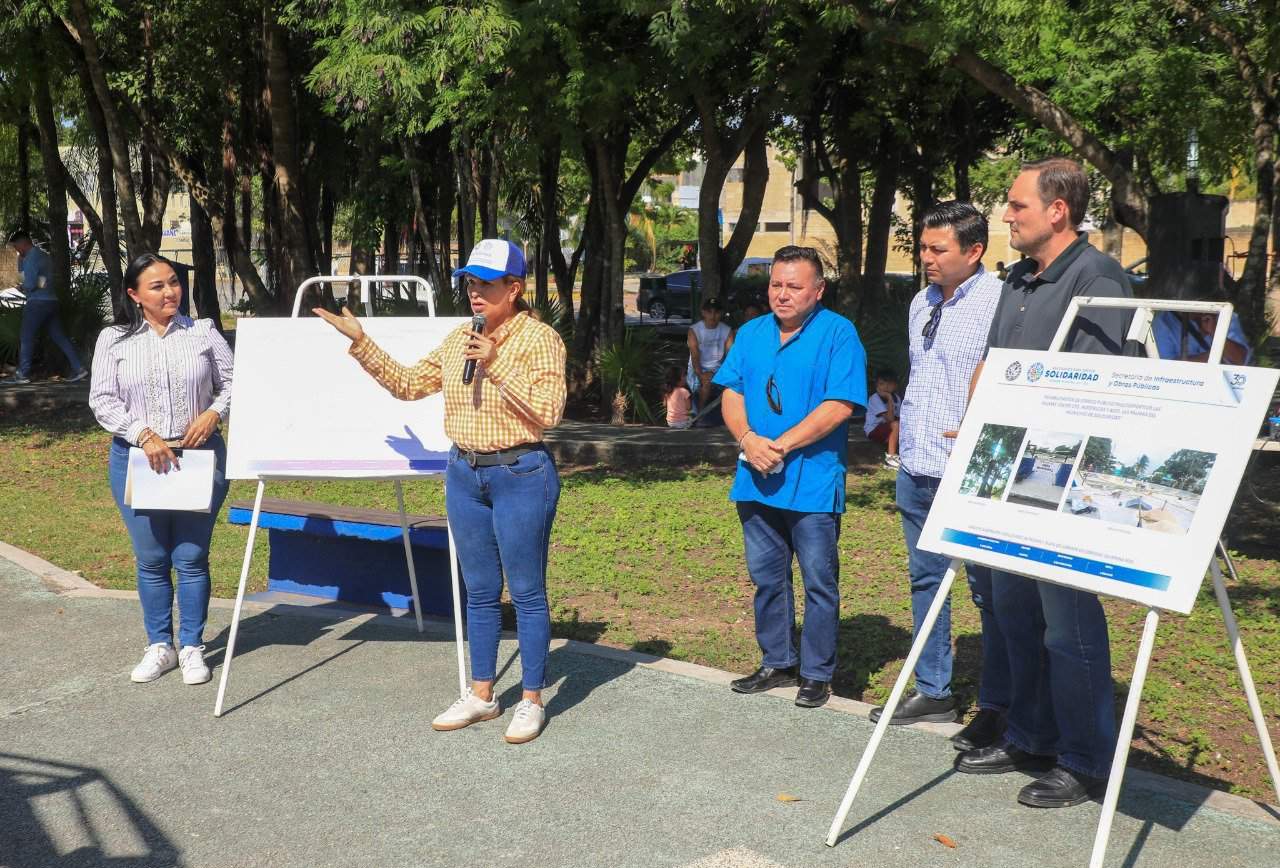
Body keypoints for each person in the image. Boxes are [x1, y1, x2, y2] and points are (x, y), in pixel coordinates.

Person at [314, 238, 566, 744]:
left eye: (487, 285)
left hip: (520, 473)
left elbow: (549, 412)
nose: (475, 294)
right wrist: (361, 341)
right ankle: (482, 694)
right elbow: (408, 384)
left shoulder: (541, 340)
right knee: (477, 590)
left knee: (526, 591)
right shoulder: (458, 339)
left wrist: (496, 362)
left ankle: (532, 699)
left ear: (514, 289)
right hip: (465, 475)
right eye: (470, 284)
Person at [955, 158, 1131, 809]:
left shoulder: (1100, 279)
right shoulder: (1019, 279)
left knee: (1068, 626)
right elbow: (997, 368)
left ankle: (1084, 760)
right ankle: (1030, 735)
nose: (1006, 214)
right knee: (1015, 615)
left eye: (1018, 205)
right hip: (1007, 474)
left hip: (1062, 481)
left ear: (1058, 210)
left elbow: (1097, 394)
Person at [866, 202, 1009, 753]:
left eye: (937, 249)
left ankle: (1000, 705)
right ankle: (934, 688)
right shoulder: (920, 302)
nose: (925, 258)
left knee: (988, 592)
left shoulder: (999, 304)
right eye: (922, 248)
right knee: (926, 579)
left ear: (974, 251)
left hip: (968, 473)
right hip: (918, 467)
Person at [714, 245, 867, 709]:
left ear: (818, 290)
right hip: (756, 478)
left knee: (819, 581)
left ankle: (817, 673)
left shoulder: (839, 334)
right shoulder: (751, 333)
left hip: (813, 480)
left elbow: (840, 405)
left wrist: (780, 445)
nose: (782, 294)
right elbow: (732, 392)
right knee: (767, 577)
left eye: (794, 287)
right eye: (776, 285)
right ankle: (777, 661)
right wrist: (747, 440)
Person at [87, 253, 233, 685]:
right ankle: (159, 645)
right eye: (157, 286)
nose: (170, 292)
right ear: (135, 295)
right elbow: (102, 399)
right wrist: (142, 433)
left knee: (191, 557)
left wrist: (214, 413)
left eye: (173, 282)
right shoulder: (114, 339)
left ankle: (191, 646)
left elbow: (235, 382)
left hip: (198, 457)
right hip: (138, 458)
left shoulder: (203, 332)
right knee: (151, 557)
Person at [2, 230, 88, 385]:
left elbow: (29, 283)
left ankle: (23, 374)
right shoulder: (43, 256)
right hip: (51, 301)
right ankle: (79, 367)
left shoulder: (31, 259)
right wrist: (20, 262)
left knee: (26, 337)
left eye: (16, 247)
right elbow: (43, 281)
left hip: (37, 303)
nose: (16, 250)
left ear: (23, 243)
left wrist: (24, 287)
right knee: (59, 337)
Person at [1152, 308, 1252, 365]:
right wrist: (1215, 356)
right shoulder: (1163, 322)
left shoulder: (1224, 314)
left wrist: (1215, 332)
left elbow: (1240, 360)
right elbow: (1166, 368)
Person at [687, 297, 733, 414]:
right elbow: (695, 356)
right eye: (709, 312)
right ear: (703, 313)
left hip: (718, 370)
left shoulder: (727, 331)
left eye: (716, 312)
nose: (713, 316)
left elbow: (730, 357)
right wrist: (701, 375)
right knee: (706, 384)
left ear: (721, 313)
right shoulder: (694, 330)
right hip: (697, 370)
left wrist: (722, 374)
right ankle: (699, 415)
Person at [864, 369, 900, 469]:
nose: (885, 387)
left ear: (895, 385)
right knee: (895, 424)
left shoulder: (896, 398)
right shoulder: (875, 398)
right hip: (874, 430)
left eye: (889, 384)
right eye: (882, 384)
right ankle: (891, 459)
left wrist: (891, 398)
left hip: (888, 429)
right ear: (876, 386)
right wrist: (889, 398)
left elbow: (897, 417)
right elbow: (890, 419)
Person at [663, 364, 693, 429]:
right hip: (682, 422)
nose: (686, 378)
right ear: (678, 379)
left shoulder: (668, 391)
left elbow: (664, 404)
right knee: (692, 417)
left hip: (670, 422)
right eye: (684, 376)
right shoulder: (684, 391)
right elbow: (688, 407)